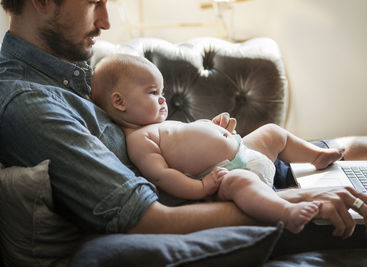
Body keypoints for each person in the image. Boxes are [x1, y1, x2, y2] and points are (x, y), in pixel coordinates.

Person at [0, 0, 367, 260]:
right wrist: (290, 201)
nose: (104, 21)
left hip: (229, 172)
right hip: (225, 197)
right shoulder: (30, 104)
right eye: (92, 2)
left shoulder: (69, 67)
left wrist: (207, 135)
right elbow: (147, 219)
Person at [90, 54, 348, 233]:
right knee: (241, 184)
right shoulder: (139, 139)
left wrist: (212, 127)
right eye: (152, 92)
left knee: (272, 133)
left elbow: (190, 140)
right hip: (225, 177)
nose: (162, 99)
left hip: (245, 152)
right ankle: (285, 212)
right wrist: (202, 187)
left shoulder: (157, 126)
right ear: (119, 102)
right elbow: (163, 176)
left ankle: (315, 156)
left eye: (162, 92)